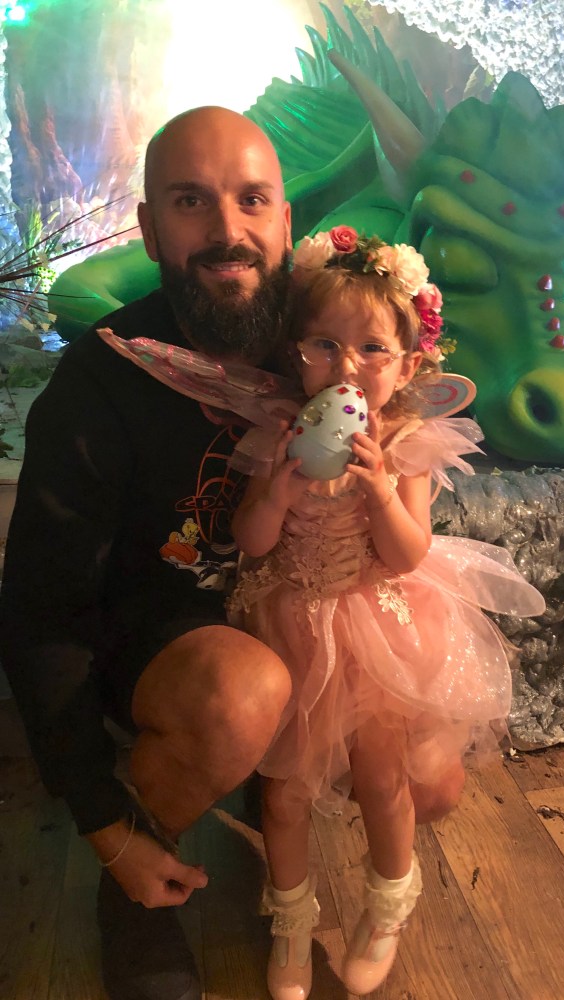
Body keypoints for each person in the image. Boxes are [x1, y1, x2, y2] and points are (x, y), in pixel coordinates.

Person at [102, 226, 546, 999]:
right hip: (288, 622)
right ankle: (290, 917)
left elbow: (407, 553)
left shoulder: (406, 441)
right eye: (324, 346)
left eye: (372, 349)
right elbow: (252, 540)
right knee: (284, 792)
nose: (346, 367)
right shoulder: (277, 431)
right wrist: (275, 491)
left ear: (408, 364)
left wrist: (379, 492)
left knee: (381, 773)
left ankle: (387, 905)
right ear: (294, 352)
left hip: (373, 624)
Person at [0, 106, 296, 1000]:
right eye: (191, 201)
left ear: (288, 223)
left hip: (292, 610)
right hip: (155, 634)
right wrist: (105, 825)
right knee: (242, 696)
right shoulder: (102, 379)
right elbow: (41, 610)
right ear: (150, 229)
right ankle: (138, 883)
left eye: (252, 200)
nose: (229, 231)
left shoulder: (323, 350)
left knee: (429, 776)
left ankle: (260, 775)